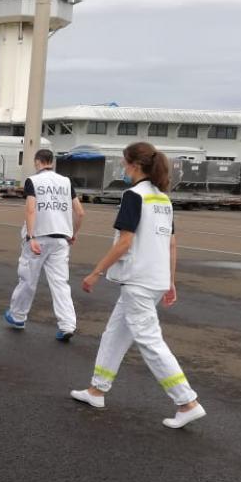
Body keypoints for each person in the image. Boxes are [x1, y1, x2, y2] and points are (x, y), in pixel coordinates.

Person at [73, 142, 205, 429]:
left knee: (149, 340)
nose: (122, 167)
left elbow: (125, 242)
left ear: (134, 165)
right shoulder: (163, 199)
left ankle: (186, 401)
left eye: (124, 162)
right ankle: (97, 389)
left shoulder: (134, 196)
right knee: (115, 333)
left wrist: (96, 272)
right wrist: (170, 281)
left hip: (138, 281)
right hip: (154, 281)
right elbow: (171, 243)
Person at [4, 149, 84, 340]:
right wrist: (73, 234)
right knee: (60, 283)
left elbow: (31, 210)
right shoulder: (66, 182)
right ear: (52, 162)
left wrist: (31, 237)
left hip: (39, 237)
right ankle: (67, 325)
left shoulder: (33, 181)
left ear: (37, 162)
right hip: (60, 239)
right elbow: (80, 212)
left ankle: (18, 316)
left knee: (28, 279)